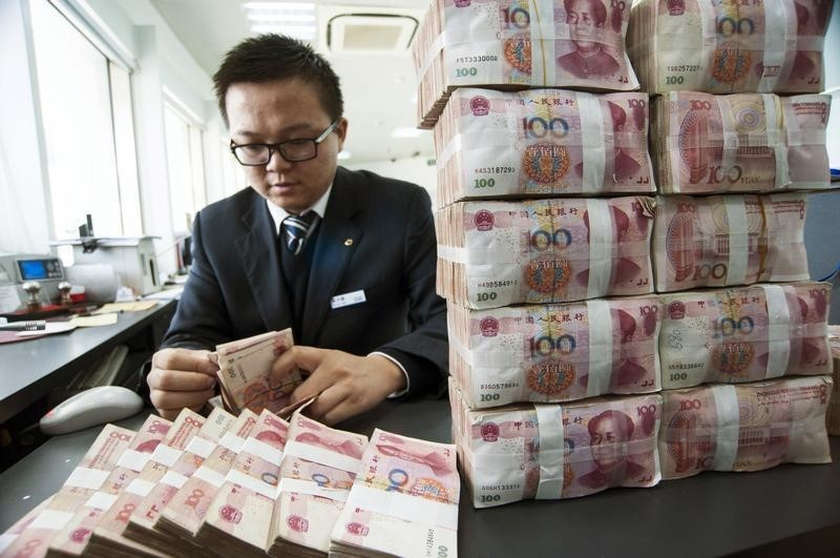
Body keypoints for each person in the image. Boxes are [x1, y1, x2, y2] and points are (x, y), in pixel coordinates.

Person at [146, 35, 448, 423]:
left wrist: (387, 368)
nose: (276, 165)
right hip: (257, 434)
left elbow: (446, 322)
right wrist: (178, 369)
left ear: (339, 132)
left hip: (374, 421)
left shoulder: (399, 207)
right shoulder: (216, 225)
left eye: (299, 141)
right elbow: (191, 333)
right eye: (252, 146)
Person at [577, 409, 646, 489]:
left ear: (626, 442)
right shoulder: (583, 482)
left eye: (610, 438)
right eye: (596, 438)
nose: (601, 445)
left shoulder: (640, 473)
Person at [557, 0, 621, 79]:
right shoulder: (561, 63)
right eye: (573, 17)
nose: (579, 26)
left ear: (599, 27)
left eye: (586, 18)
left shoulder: (612, 66)